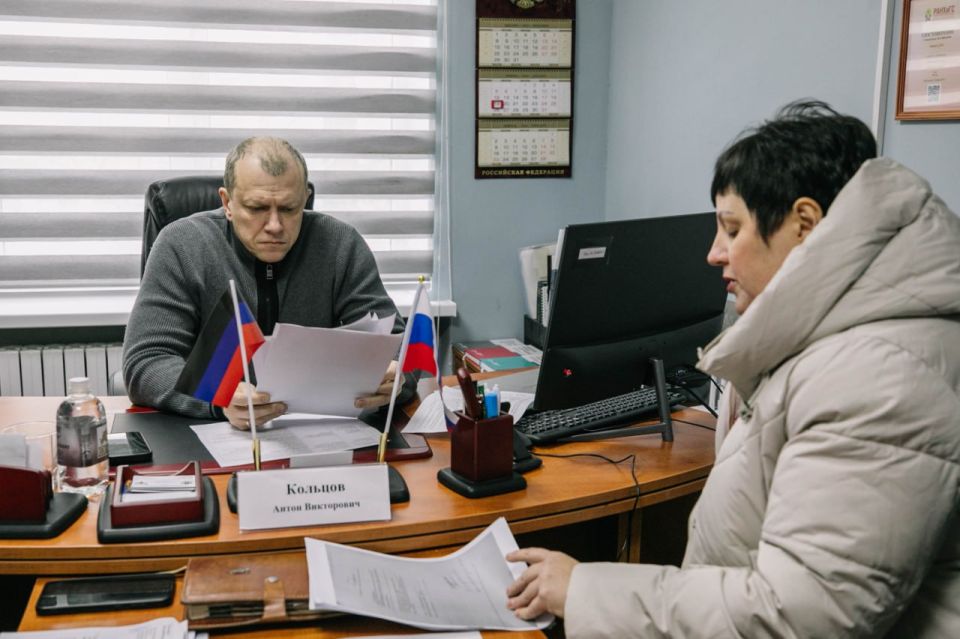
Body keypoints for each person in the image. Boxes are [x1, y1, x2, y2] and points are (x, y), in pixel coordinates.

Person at [505, 101, 960, 637]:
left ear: (804, 225)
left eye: (732, 228)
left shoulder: (876, 376)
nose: (714, 254)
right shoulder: (832, 339)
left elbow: (803, 617)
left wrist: (586, 590)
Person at [123, 137, 415, 426]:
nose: (275, 226)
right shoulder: (182, 245)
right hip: (208, 432)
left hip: (316, 433)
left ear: (305, 199)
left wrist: (395, 376)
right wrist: (217, 398)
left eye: (288, 209)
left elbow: (404, 352)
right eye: (256, 208)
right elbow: (147, 362)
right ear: (227, 202)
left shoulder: (340, 245)